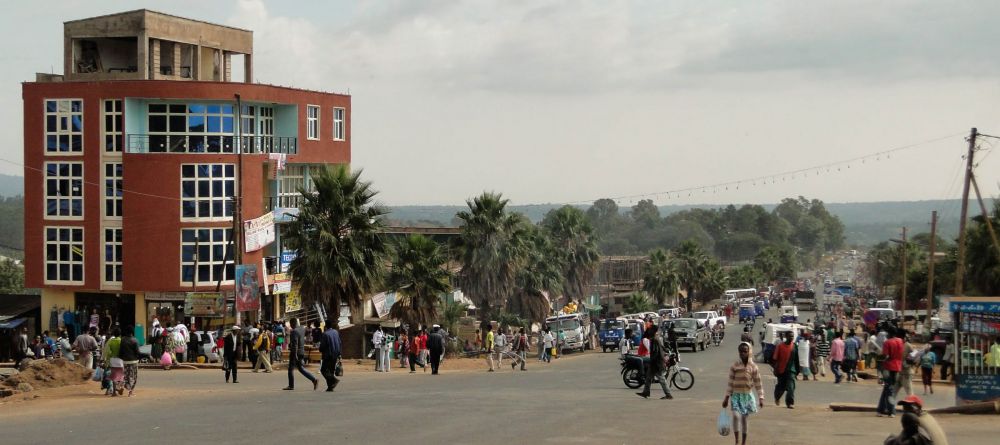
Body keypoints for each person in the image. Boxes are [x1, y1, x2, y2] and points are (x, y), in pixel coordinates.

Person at [723, 342, 765, 445]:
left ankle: (743, 442)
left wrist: (761, 397)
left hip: (747, 396)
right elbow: (730, 383)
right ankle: (737, 441)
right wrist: (726, 397)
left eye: (745, 351)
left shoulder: (753, 367)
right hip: (736, 396)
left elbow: (758, 382)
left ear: (749, 352)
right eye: (740, 351)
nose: (742, 353)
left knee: (744, 419)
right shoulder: (735, 366)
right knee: (736, 416)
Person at [636, 325, 673, 400]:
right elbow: (662, 347)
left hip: (656, 363)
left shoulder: (654, 340)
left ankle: (668, 394)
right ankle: (645, 392)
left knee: (661, 378)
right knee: (648, 378)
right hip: (654, 362)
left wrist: (652, 360)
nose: (648, 332)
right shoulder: (656, 339)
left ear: (653, 331)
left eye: (650, 330)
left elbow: (655, 352)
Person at [877, 328, 905, 417]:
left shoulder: (887, 342)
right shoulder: (900, 341)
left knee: (889, 390)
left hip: (889, 366)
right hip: (897, 366)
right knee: (887, 388)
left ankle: (891, 411)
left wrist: (880, 356)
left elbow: (886, 355)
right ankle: (880, 410)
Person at [285, 318, 318, 390]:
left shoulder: (294, 331)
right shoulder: (302, 329)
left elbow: (295, 344)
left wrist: (295, 354)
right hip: (302, 351)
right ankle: (314, 380)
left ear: (293, 323)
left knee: (290, 369)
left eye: (291, 324)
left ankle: (291, 386)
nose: (290, 326)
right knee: (301, 368)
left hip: (295, 352)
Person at [771, 331, 796, 409]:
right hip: (781, 370)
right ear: (786, 336)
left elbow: (797, 359)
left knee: (791, 387)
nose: (791, 338)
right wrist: (775, 369)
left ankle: (790, 403)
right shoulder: (780, 346)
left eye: (792, 336)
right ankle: (777, 397)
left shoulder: (794, 346)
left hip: (791, 370)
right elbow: (775, 359)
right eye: (790, 336)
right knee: (781, 387)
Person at [319, 322, 341, 391]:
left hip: (328, 355)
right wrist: (339, 354)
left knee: (323, 370)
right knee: (331, 371)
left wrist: (320, 349)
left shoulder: (325, 334)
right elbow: (339, 343)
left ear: (325, 326)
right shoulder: (335, 332)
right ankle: (330, 387)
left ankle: (333, 380)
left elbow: (322, 346)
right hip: (335, 354)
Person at [102, 326, 124, 396]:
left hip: (112, 360)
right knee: (121, 375)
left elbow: (108, 352)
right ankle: (119, 387)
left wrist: (107, 360)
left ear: (113, 334)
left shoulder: (110, 341)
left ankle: (114, 392)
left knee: (113, 376)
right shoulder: (121, 341)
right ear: (120, 334)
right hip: (120, 360)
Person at [894, 331, 915, 399]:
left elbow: (914, 357)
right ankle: (889, 407)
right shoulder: (896, 345)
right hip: (898, 372)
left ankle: (912, 406)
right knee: (893, 392)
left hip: (906, 372)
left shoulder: (908, 345)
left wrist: (906, 363)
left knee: (909, 392)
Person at [119, 327, 139, 397]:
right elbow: (137, 352)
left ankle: (122, 386)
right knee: (133, 376)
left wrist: (122, 358)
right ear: (132, 332)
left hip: (125, 361)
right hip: (133, 361)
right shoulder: (135, 340)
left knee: (126, 375)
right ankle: (131, 392)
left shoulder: (123, 340)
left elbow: (120, 351)